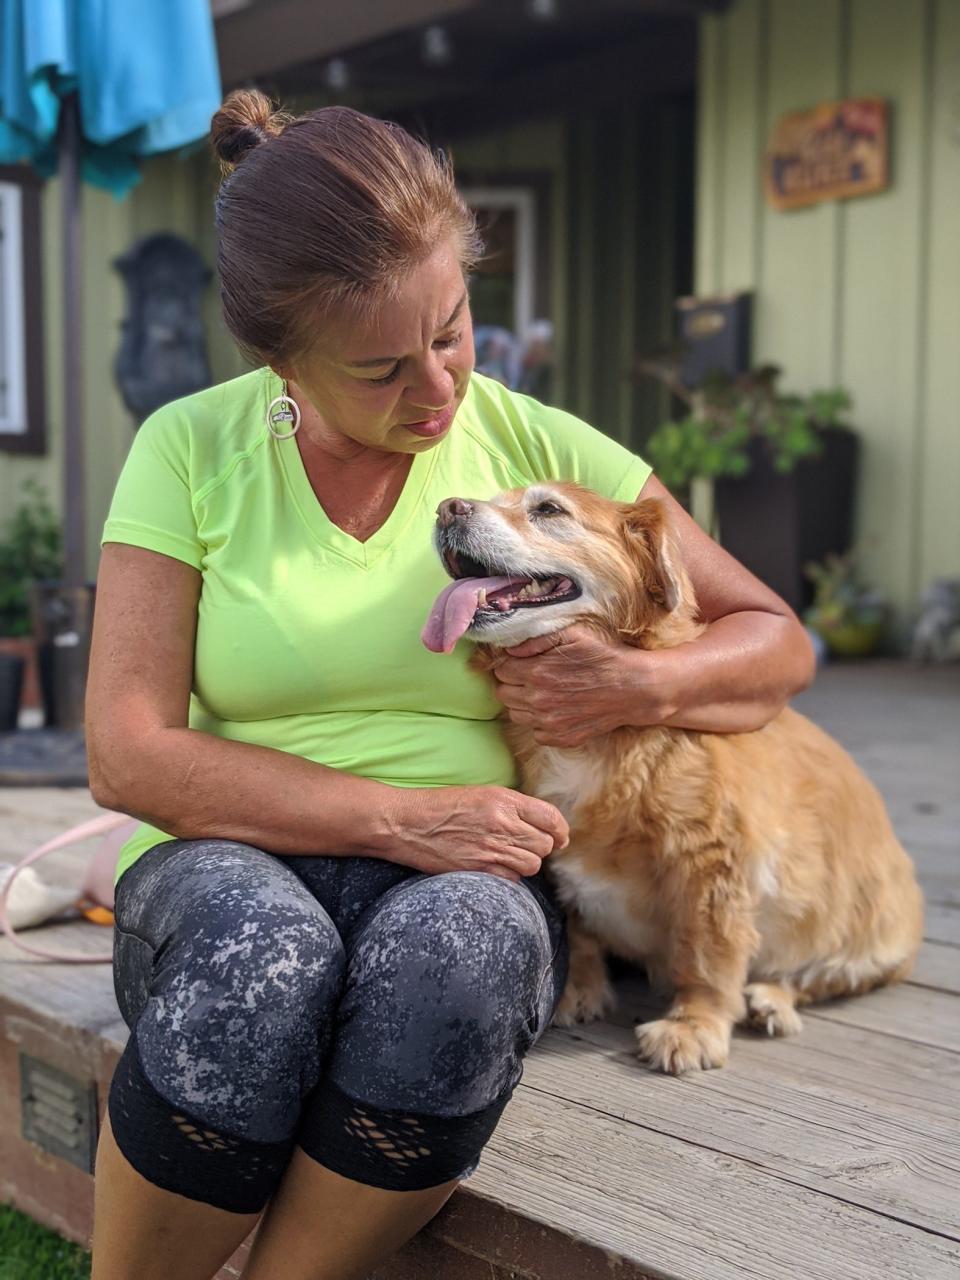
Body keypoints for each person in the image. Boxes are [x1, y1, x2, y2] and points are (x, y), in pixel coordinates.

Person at [86, 91, 815, 1280]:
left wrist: (635, 678)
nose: (438, 388)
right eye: (383, 366)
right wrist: (396, 818)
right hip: (226, 851)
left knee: (462, 957)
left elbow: (774, 638)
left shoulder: (533, 441)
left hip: (470, 875)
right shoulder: (188, 449)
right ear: (280, 356)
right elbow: (127, 751)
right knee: (255, 956)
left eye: (456, 327)